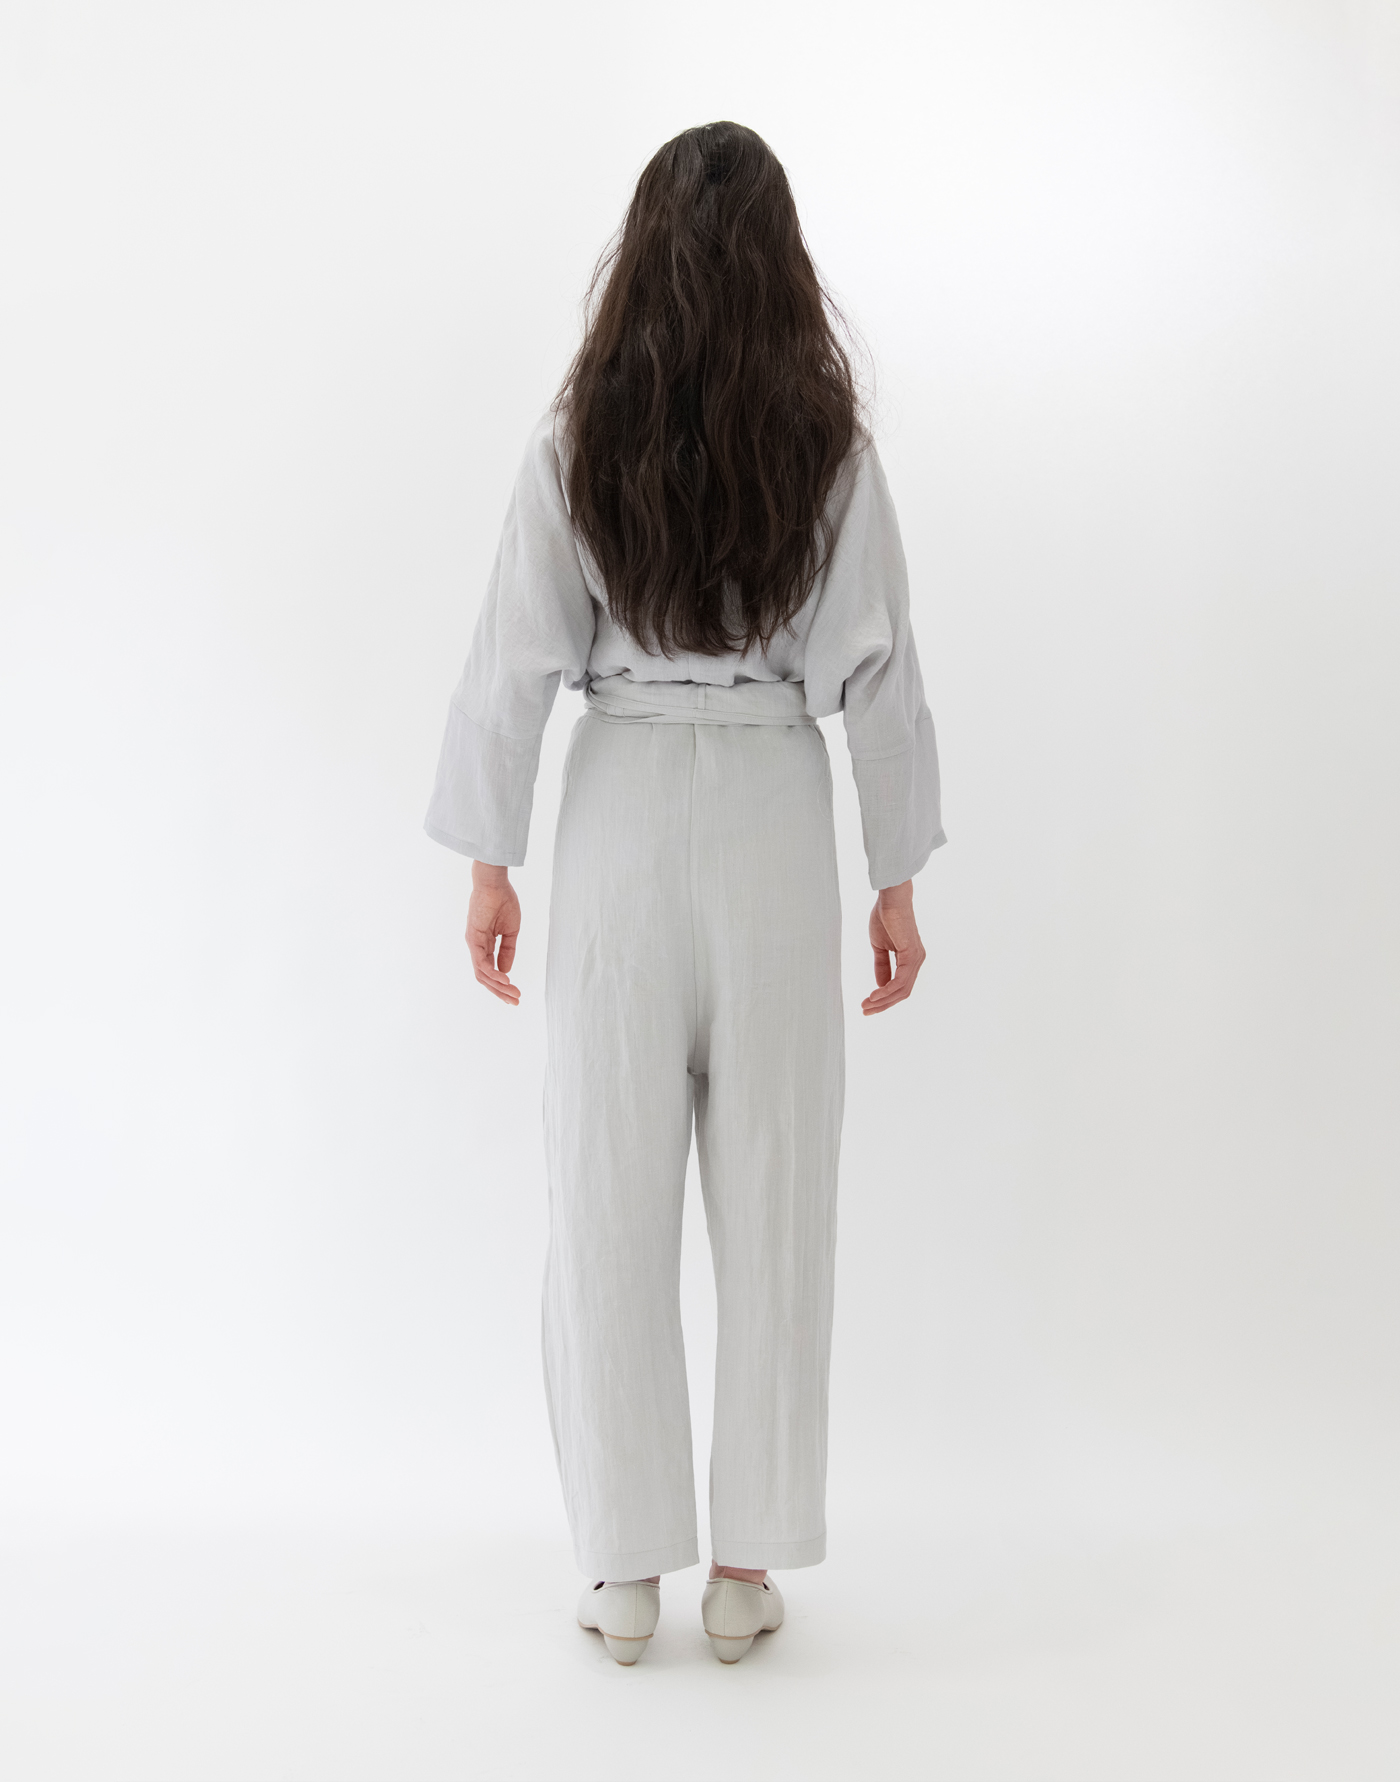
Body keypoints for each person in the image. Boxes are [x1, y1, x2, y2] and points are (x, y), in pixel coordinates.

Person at [425, 121, 944, 1666]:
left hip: (623, 817)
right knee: (779, 1197)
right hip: (778, 814)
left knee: (605, 1189)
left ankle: (619, 1566)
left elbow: (513, 655)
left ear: (638, 255)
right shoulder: (830, 447)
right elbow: (881, 673)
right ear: (786, 266)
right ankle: (743, 1567)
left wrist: (492, 859)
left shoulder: (579, 434)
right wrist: (896, 878)